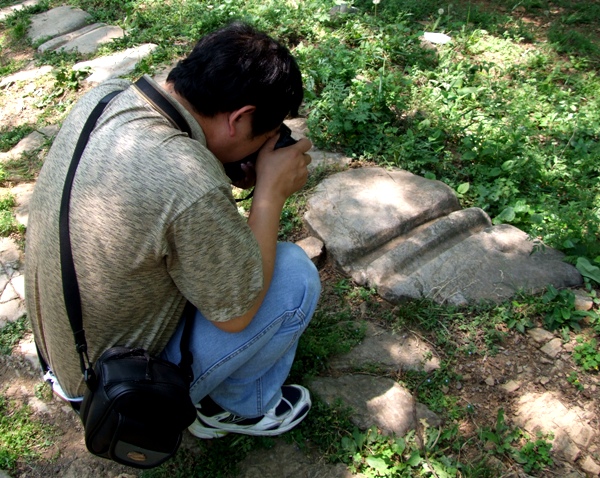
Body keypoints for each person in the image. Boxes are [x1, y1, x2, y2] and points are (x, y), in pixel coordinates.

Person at [24, 22, 321, 439]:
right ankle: (234, 407)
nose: (268, 145)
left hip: (64, 353)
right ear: (240, 118)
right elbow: (239, 311)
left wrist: (228, 160)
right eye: (268, 135)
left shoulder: (104, 97)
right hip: (117, 389)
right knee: (293, 274)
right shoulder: (188, 181)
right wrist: (270, 192)